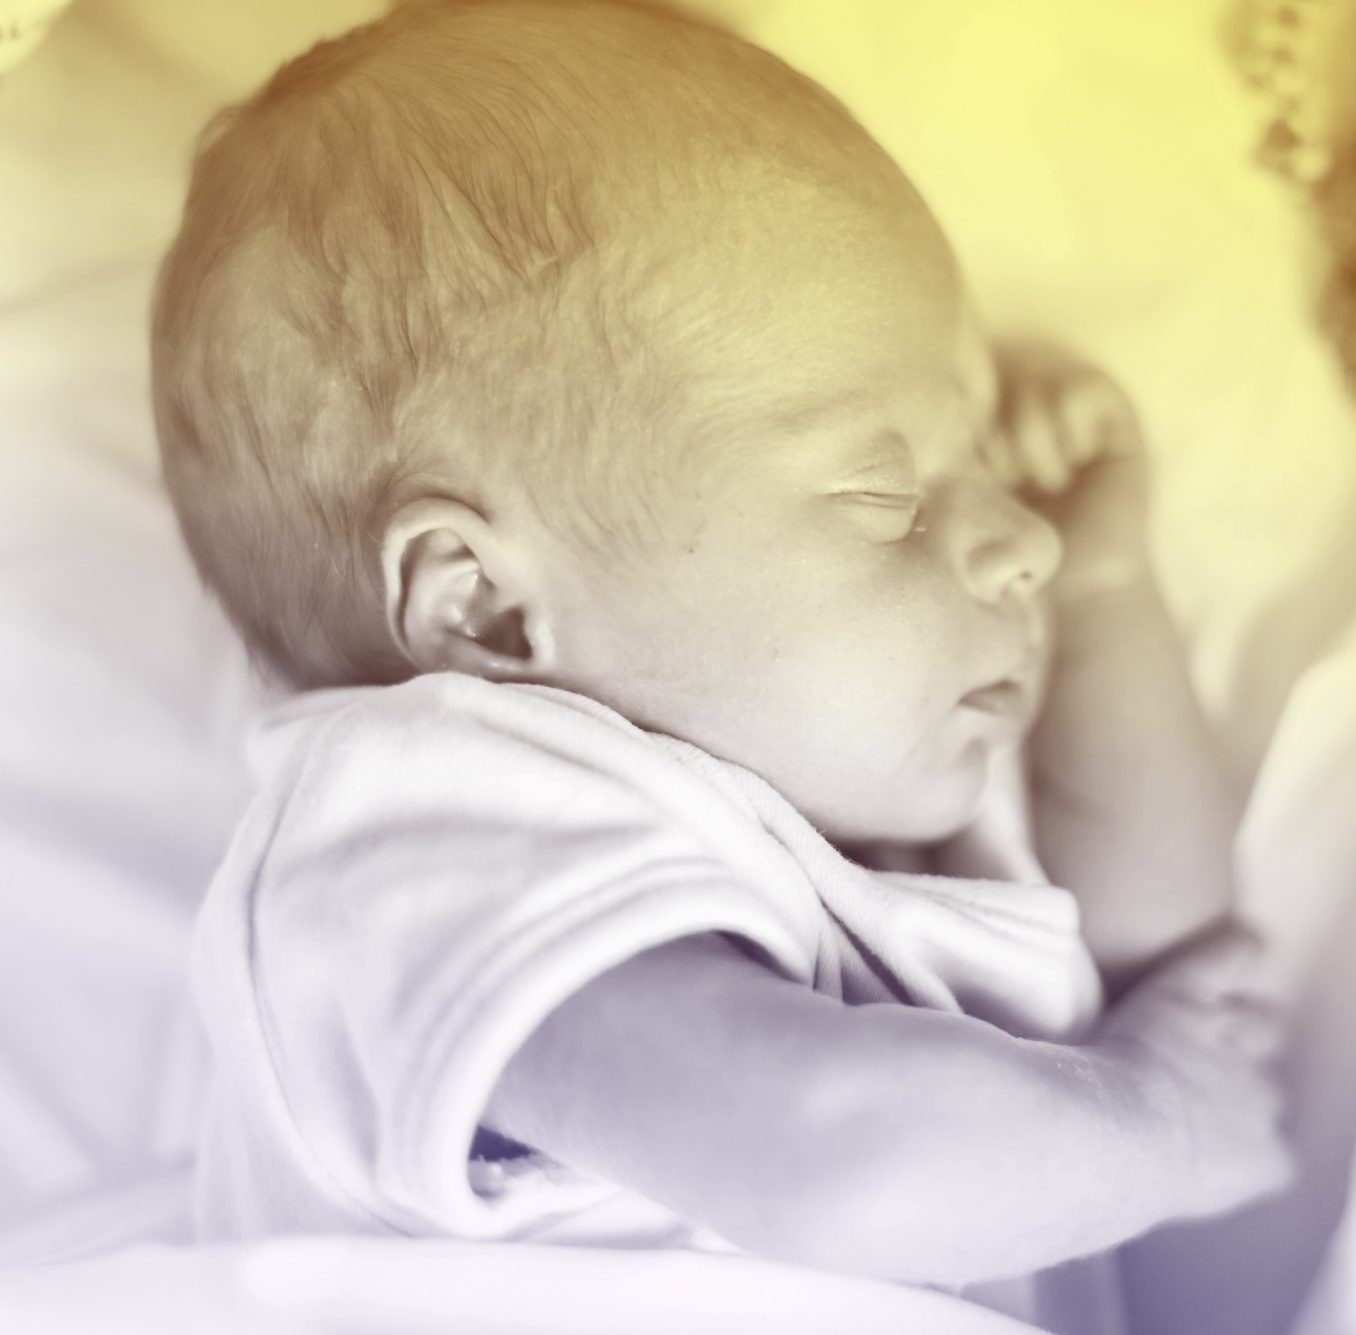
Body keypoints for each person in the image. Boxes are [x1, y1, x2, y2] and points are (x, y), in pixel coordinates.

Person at [151, 1, 1289, 1327]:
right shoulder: (412, 849)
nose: (1019, 538)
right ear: (490, 613)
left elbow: (1164, 941)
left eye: (978, 447)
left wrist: (1104, 598)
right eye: (885, 490)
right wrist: (1165, 1120)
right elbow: (852, 1158)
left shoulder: (845, 764)